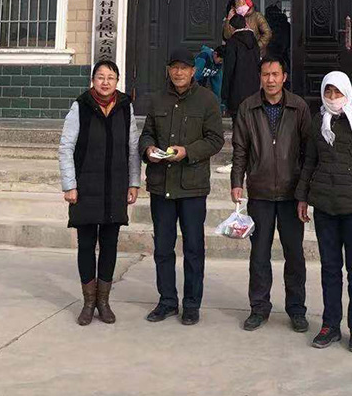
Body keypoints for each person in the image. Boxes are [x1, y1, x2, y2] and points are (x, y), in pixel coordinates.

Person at [296, 71, 352, 354]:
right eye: (328, 92)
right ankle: (330, 325)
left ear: (347, 92)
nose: (333, 98)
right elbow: (309, 162)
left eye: (337, 92)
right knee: (330, 270)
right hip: (325, 207)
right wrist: (302, 197)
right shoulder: (318, 123)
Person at [139, 47, 224, 326]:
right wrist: (148, 149)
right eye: (174, 67)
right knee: (163, 248)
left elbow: (215, 139)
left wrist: (188, 151)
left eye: (184, 68)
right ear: (168, 70)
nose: (178, 72)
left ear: (193, 71)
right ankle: (166, 301)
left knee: (194, 248)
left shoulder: (207, 100)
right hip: (161, 184)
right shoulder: (157, 100)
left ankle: (191, 304)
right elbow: (147, 134)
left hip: (192, 187)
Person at [58, 59, 141, 326]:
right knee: (86, 245)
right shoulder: (80, 106)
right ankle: (88, 302)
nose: (105, 82)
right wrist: (70, 185)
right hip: (85, 187)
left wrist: (134, 182)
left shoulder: (125, 107)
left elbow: (133, 149)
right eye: (100, 77)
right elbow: (66, 147)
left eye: (110, 77)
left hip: (115, 187)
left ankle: (103, 302)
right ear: (93, 80)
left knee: (109, 244)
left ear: (117, 81)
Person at [231, 56, 311, 333]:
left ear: (284, 77)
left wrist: (304, 192)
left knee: (294, 255)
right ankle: (259, 308)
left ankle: (296, 309)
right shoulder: (248, 107)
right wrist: (237, 181)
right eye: (266, 74)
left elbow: (308, 152)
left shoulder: (298, 107)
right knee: (259, 255)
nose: (271, 80)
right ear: (260, 77)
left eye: (275, 74)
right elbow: (240, 148)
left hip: (291, 194)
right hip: (260, 192)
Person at [220, 15, 261, 123]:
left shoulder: (232, 43)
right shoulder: (254, 42)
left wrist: (224, 94)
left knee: (238, 124)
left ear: (232, 27)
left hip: (236, 90)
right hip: (253, 89)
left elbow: (229, 69)